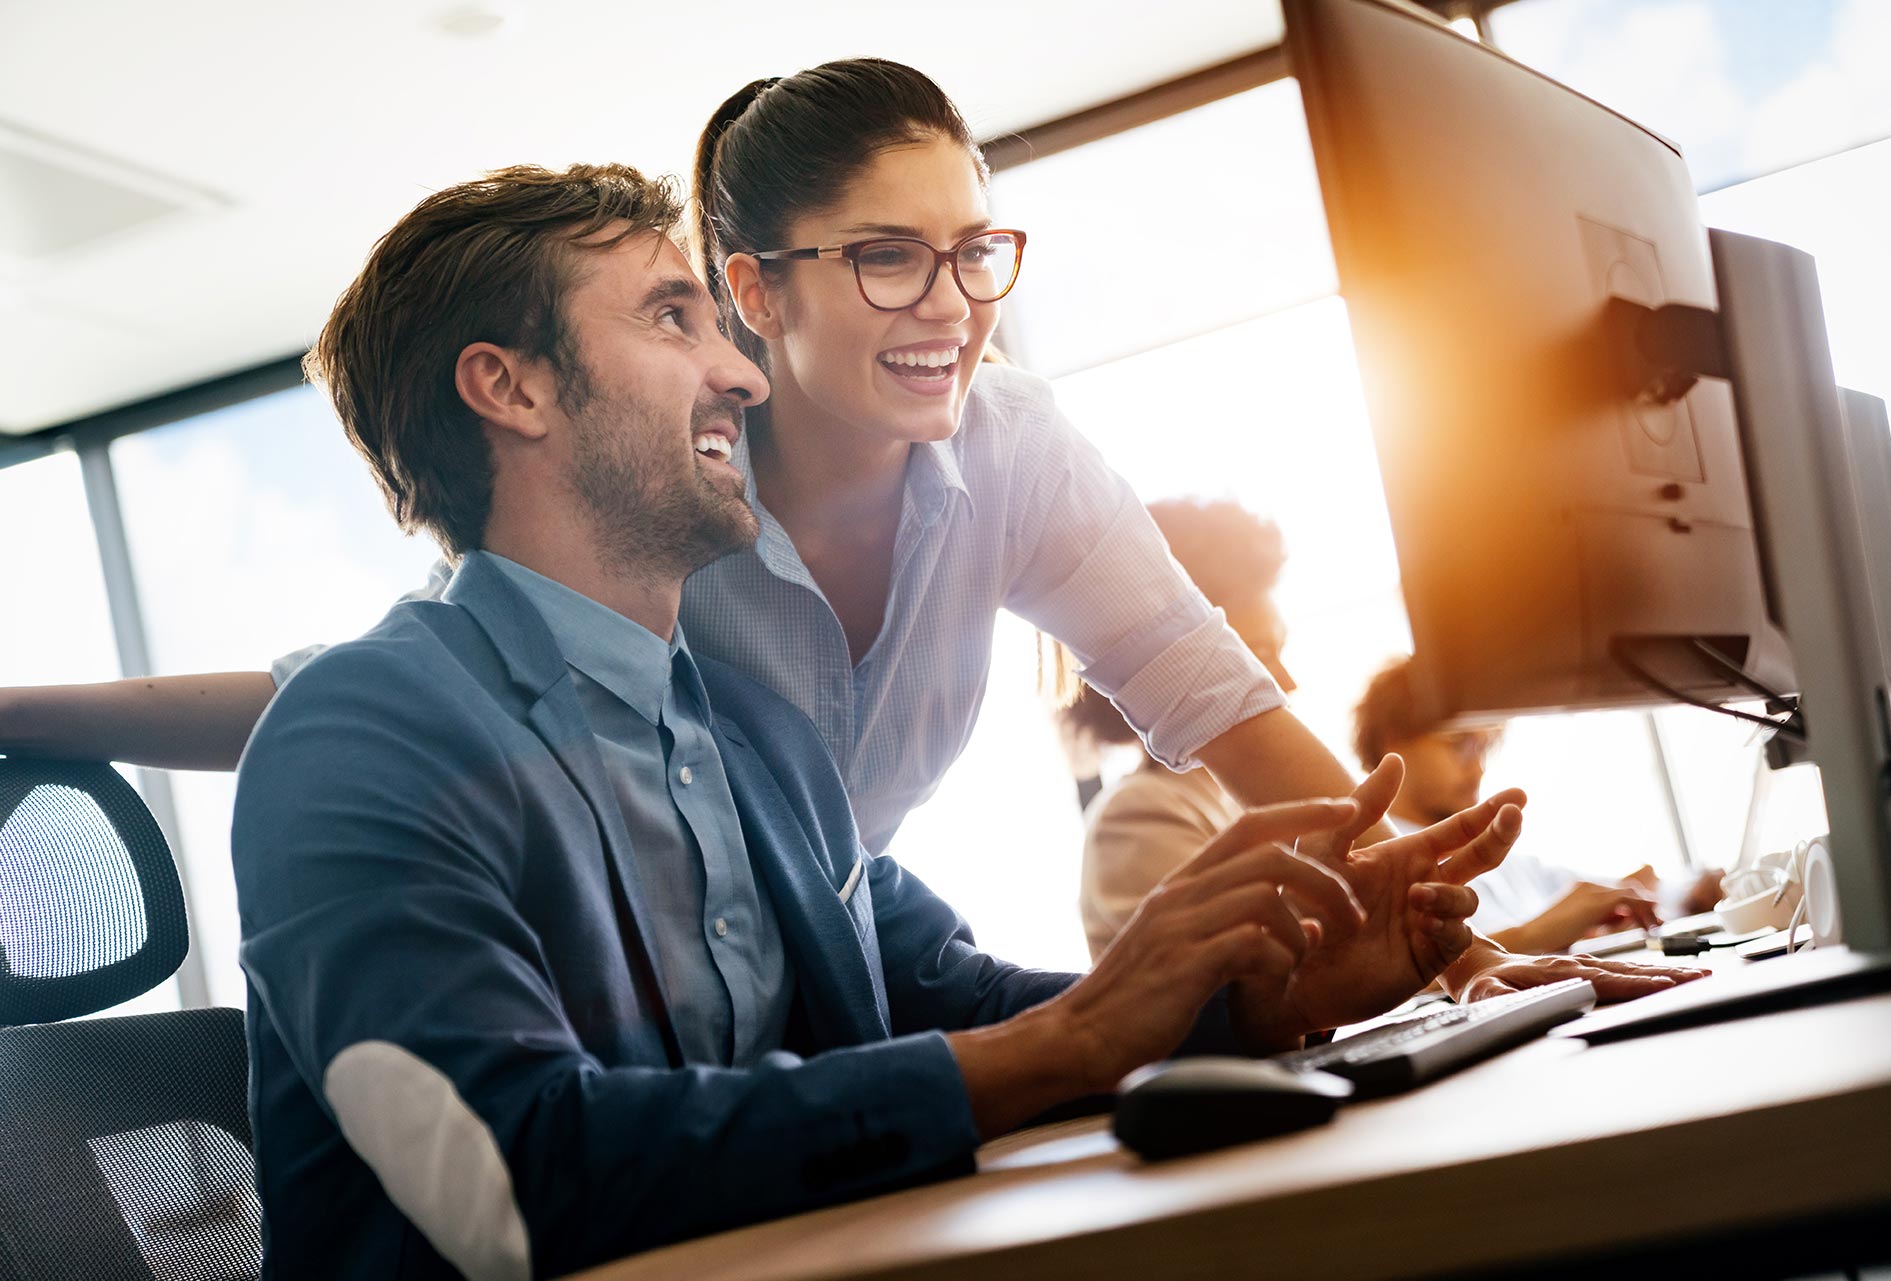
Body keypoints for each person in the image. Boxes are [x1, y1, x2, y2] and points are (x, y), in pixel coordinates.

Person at [0, 57, 1673, 1000]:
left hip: (834, 950)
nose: (951, 306)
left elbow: (1212, 701)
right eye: (887, 255)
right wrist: (22, 711)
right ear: (751, 285)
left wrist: (1440, 938)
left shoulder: (1007, 448)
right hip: (641, 1015)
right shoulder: (647, 487)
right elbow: (361, 696)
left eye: (974, 249)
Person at [228, 161, 1580, 1278]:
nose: (743, 377)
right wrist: (1071, 1043)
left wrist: (1243, 1003)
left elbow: (953, 1000)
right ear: (508, 388)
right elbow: (503, 1180)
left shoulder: (749, 735)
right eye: (672, 321)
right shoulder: (364, 734)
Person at [1353, 656, 1725, 953]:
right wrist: (1543, 933)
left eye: (1484, 747)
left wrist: (1685, 892)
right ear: (1394, 741)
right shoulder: (1372, 861)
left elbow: (1601, 895)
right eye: (1460, 744)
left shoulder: (1503, 860)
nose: (1478, 767)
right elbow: (1417, 978)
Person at [1069, 498, 1291, 960]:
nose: (1285, 685)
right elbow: (1252, 980)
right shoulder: (1137, 815)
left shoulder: (1227, 800)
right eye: (1258, 659)